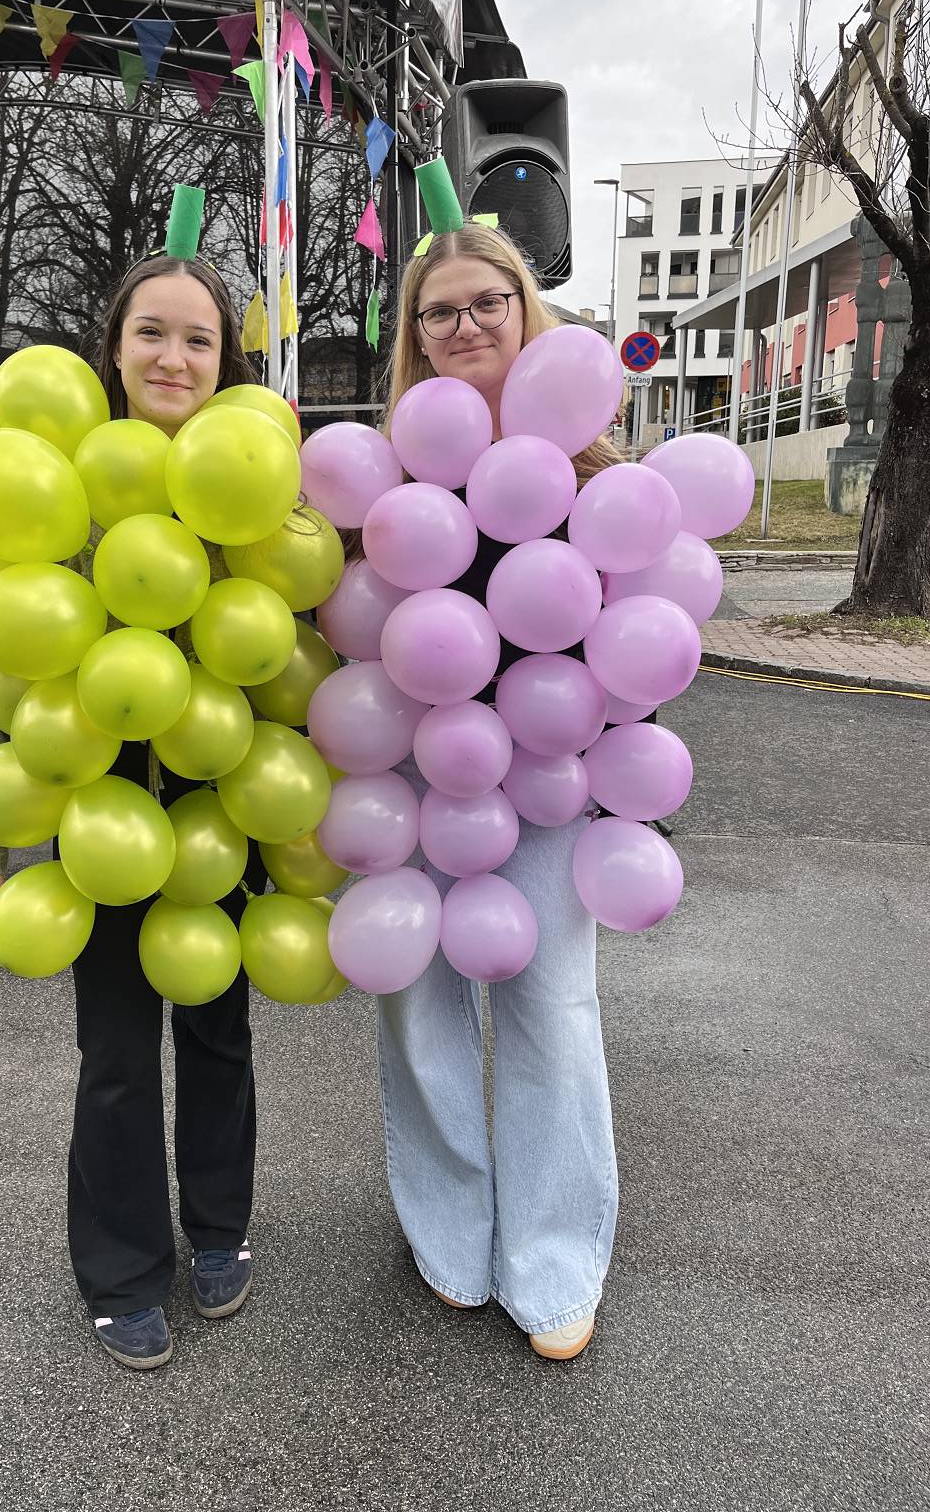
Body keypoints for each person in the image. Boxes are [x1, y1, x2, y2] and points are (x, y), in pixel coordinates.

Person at [0, 251, 266, 1372]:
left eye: (198, 338)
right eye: (152, 333)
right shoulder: (64, 484)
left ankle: (220, 1228)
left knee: (220, 1029)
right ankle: (122, 1268)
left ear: (223, 357)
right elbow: (8, 669)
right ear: (114, 347)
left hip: (222, 789)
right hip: (93, 796)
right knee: (120, 1051)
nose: (174, 356)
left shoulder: (258, 483)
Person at [371, 219, 621, 1361]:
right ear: (414, 341)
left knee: (552, 1012)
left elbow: (640, 642)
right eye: (440, 312)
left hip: (552, 786)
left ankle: (556, 1255)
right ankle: (449, 1230)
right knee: (418, 1010)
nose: (466, 325)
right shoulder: (386, 471)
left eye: (488, 303)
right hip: (417, 777)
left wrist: (629, 790)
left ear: (526, 312)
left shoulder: (589, 468)